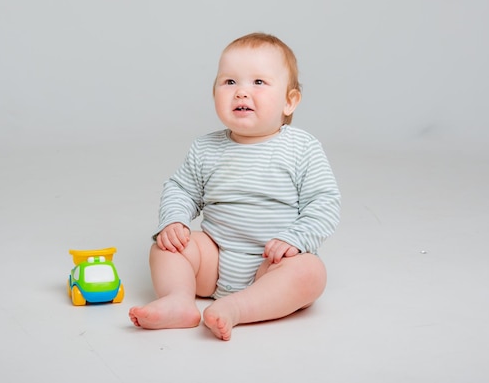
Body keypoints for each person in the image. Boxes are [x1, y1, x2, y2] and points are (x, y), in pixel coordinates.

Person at [129, 32, 341, 341]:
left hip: (273, 265)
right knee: (167, 247)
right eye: (229, 82)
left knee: (310, 273)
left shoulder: (302, 148)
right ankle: (178, 299)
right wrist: (174, 221)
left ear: (289, 100)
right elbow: (181, 189)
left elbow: (324, 202)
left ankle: (237, 308)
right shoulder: (206, 148)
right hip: (213, 262)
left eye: (258, 83)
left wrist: (296, 238)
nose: (241, 93)